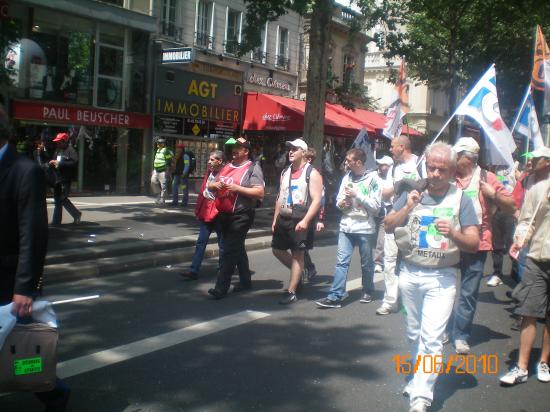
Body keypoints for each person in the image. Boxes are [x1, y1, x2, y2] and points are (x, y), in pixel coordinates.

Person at [384, 142, 480, 412]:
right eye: (431, 168)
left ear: (451, 172)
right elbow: (389, 225)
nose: (435, 174)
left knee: (432, 338)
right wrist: (407, 207)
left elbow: (473, 243)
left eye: (441, 170)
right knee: (414, 334)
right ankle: (417, 378)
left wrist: (454, 234)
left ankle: (422, 395)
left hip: (443, 277)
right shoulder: (413, 191)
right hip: (410, 273)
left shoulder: (461, 199)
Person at [0, 101, 71, 412]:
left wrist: (26, 287)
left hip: (10, 280)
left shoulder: (24, 170)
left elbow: (33, 233)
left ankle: (53, 391)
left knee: (25, 350)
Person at [447, 137, 515, 355]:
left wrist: (493, 194)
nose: (454, 159)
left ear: (469, 158)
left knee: (468, 292)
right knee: (445, 289)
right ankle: (444, 328)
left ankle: (461, 335)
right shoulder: (450, 177)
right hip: (449, 241)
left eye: (457, 155)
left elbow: (511, 205)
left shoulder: (488, 177)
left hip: (478, 243)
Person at [500, 169, 550, 386]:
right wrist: (520, 239)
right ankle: (521, 366)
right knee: (529, 311)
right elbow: (526, 221)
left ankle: (544, 362)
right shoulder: (539, 189)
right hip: (537, 259)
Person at [315, 148, 381, 308]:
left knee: (366, 263)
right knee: (341, 262)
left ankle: (368, 289)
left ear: (358, 162)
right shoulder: (346, 178)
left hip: (365, 228)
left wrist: (357, 194)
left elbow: (376, 207)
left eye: (349, 160)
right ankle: (335, 295)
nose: (346, 163)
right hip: (346, 227)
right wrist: (341, 204)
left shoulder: (374, 180)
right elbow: (339, 201)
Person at [207, 137, 265, 299]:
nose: (234, 150)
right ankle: (246, 280)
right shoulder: (226, 166)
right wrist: (215, 185)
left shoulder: (253, 168)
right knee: (237, 247)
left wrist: (237, 188)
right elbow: (210, 185)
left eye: (238, 148)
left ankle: (221, 288)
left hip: (241, 215)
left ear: (246, 151)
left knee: (229, 250)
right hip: (224, 214)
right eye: (233, 147)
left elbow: (259, 192)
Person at [272, 139, 323, 304]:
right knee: (277, 250)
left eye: (295, 149)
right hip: (284, 217)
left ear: (303, 152)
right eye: (290, 149)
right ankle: (299, 272)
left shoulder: (312, 173)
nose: (290, 152)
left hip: (300, 218)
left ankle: (291, 290)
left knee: (297, 255)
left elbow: (316, 200)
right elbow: (280, 197)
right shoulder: (285, 172)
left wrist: (307, 220)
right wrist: (275, 219)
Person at [376, 135, 420, 316]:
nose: (390, 149)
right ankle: (390, 301)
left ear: (402, 147)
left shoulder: (421, 163)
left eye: (393, 146)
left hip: (415, 219)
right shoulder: (394, 168)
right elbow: (385, 195)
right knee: (390, 261)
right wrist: (398, 186)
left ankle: (414, 301)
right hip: (395, 218)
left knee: (414, 260)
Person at [180, 150, 225, 280]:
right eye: (209, 159)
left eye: (212, 159)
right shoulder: (209, 172)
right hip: (207, 211)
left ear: (219, 161)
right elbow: (204, 190)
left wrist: (212, 187)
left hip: (219, 213)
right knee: (201, 242)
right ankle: (193, 270)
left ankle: (223, 269)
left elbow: (222, 190)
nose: (209, 162)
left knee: (222, 244)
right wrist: (199, 209)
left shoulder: (226, 173)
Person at [303, 147, 325, 281]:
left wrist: (320, 219)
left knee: (301, 245)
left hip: (309, 215)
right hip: (296, 214)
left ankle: (308, 268)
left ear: (309, 159)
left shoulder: (315, 175)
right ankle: (306, 268)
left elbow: (321, 200)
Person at [50, 132, 81, 225]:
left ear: (65, 141)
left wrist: (60, 164)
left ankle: (76, 214)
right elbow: (55, 161)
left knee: (62, 198)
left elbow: (74, 164)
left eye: (59, 142)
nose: (58, 144)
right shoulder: (58, 150)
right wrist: (53, 162)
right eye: (57, 142)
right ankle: (56, 221)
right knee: (57, 199)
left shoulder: (71, 151)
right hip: (57, 177)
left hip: (66, 178)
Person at [373, 156, 394, 284]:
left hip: (386, 211)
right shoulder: (373, 176)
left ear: (389, 166)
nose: (381, 166)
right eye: (380, 164)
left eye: (384, 164)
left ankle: (378, 262)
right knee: (371, 238)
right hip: (372, 210)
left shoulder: (393, 178)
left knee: (381, 239)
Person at [151, 137, 173, 206]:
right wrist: (154, 169)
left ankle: (162, 200)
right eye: (157, 143)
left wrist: (167, 170)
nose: (157, 144)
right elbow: (156, 160)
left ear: (163, 144)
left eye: (159, 143)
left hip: (163, 171)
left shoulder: (166, 151)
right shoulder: (158, 150)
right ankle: (158, 195)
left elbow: (169, 160)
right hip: (156, 170)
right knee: (153, 182)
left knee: (164, 186)